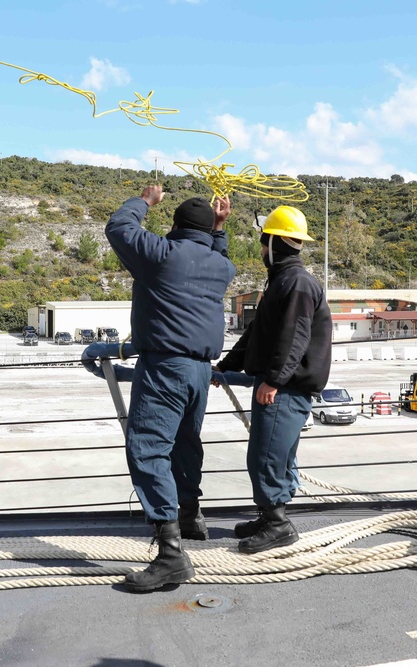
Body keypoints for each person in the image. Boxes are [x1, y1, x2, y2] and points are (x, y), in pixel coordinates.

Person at [105, 185, 236, 592]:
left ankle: (170, 555)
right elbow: (221, 254)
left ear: (175, 227)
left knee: (147, 448)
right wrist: (219, 230)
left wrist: (145, 200)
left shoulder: (162, 255)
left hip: (165, 366)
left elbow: (119, 227)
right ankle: (192, 516)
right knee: (185, 443)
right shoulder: (221, 267)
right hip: (201, 371)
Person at [215, 205, 332, 554]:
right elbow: (258, 334)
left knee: (266, 457)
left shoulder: (296, 283)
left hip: (284, 390)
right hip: (280, 386)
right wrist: (225, 366)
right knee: (271, 455)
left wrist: (274, 381)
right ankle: (269, 517)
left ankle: (278, 524)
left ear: (277, 241)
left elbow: (294, 337)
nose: (261, 248)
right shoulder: (284, 280)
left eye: (264, 241)